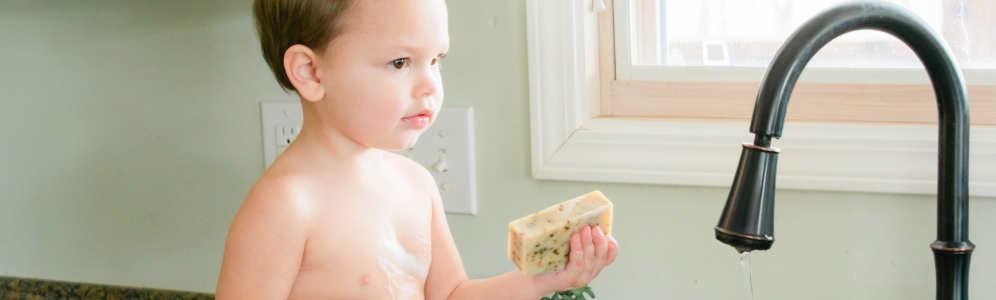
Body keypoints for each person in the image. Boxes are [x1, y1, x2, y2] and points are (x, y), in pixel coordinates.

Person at [215, 0, 619, 299]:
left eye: (436, 59)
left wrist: (541, 281)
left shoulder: (416, 184)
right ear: (310, 72)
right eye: (400, 62)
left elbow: (451, 295)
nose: (431, 85)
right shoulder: (284, 207)